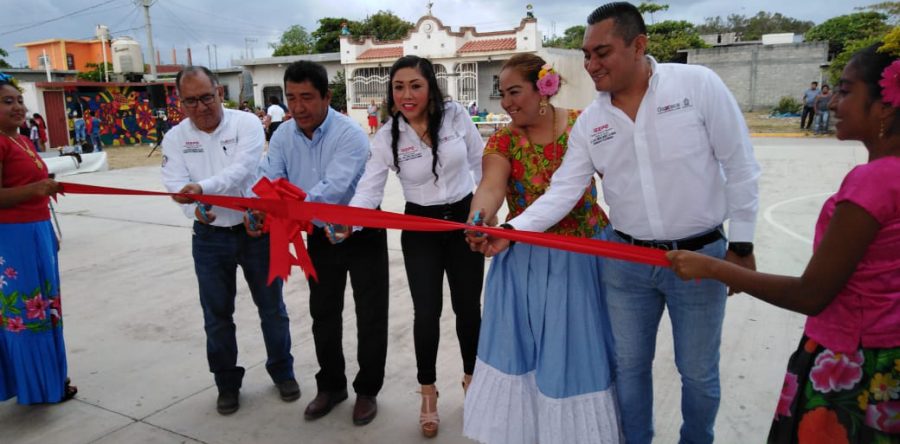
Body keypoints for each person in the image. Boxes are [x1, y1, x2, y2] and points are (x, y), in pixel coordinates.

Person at [476, 3, 761, 443]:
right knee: (628, 368)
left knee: (697, 371)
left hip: (701, 256)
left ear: (639, 45)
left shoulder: (696, 85)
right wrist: (510, 232)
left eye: (601, 53)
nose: (591, 65)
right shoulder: (593, 121)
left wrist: (741, 245)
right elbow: (564, 191)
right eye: (586, 55)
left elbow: (740, 165)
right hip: (625, 261)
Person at [668, 41, 900, 443]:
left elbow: (812, 294)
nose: (831, 104)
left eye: (846, 92)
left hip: (850, 360)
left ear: (884, 107)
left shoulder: (874, 181)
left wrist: (711, 265)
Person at [462, 54, 621, 443]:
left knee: (582, 351)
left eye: (515, 91)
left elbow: (619, 176)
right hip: (524, 259)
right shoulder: (503, 138)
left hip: (586, 256)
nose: (507, 103)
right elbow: (490, 187)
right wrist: (478, 220)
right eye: (503, 94)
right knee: (525, 351)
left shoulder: (586, 124)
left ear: (544, 87)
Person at [337, 55, 485, 438]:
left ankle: (474, 384)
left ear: (430, 86)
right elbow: (368, 189)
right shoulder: (388, 135)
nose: (406, 94)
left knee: (468, 310)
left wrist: (485, 213)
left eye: (415, 86)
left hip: (466, 222)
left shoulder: (455, 116)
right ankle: (428, 393)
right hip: (420, 227)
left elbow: (480, 163)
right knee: (427, 314)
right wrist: (346, 222)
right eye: (399, 87)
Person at [254, 60, 389, 426]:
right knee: (323, 314)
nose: (298, 107)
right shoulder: (282, 135)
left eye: (308, 98)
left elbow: (335, 187)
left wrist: (289, 210)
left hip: (360, 232)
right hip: (318, 235)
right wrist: (260, 206)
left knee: (370, 316)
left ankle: (367, 390)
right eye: (291, 98)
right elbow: (271, 176)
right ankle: (331, 385)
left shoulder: (350, 135)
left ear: (328, 96)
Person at [160, 66, 298, 415]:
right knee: (217, 315)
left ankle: (282, 371)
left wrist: (202, 190)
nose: (201, 107)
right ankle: (226, 383)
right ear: (181, 103)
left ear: (220, 92)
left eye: (207, 97)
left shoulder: (246, 124)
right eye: (191, 101)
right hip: (209, 237)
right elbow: (175, 184)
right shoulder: (175, 138)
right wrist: (194, 211)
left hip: (255, 231)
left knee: (272, 309)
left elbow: (242, 169)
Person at [0, 73, 76, 404]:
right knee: (27, 312)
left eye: (19, 100)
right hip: (12, 237)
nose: (17, 106)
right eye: (7, 101)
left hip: (37, 230)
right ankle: (37, 386)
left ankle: (49, 378)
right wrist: (36, 189)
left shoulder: (22, 140)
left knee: (46, 308)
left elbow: (37, 192)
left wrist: (49, 232)